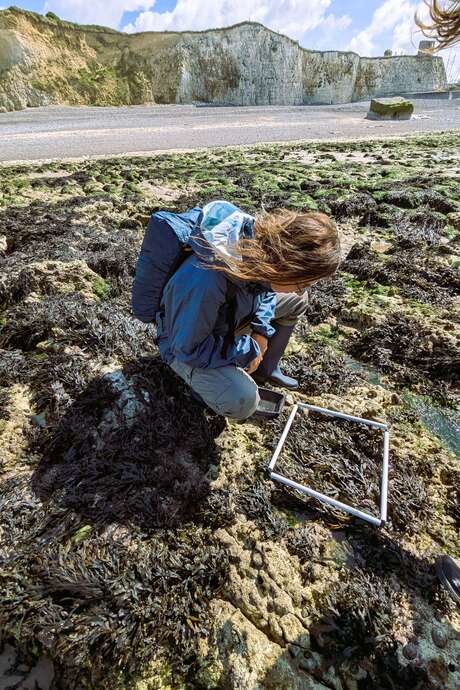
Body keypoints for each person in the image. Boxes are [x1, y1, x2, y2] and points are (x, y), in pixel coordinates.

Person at [153, 202, 340, 420]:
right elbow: (188, 349)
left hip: (226, 318)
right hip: (182, 344)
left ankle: (267, 369)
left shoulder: (264, 253)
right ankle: (202, 390)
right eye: (301, 284)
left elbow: (265, 290)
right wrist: (249, 350)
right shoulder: (206, 280)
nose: (300, 291)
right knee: (242, 399)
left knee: (296, 302)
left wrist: (260, 332)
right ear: (290, 267)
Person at [416, 1, 460, 608]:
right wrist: (245, 345)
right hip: (192, 349)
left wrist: (257, 332)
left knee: (278, 313)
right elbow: (191, 342)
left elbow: (266, 305)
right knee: (239, 396)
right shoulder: (213, 276)